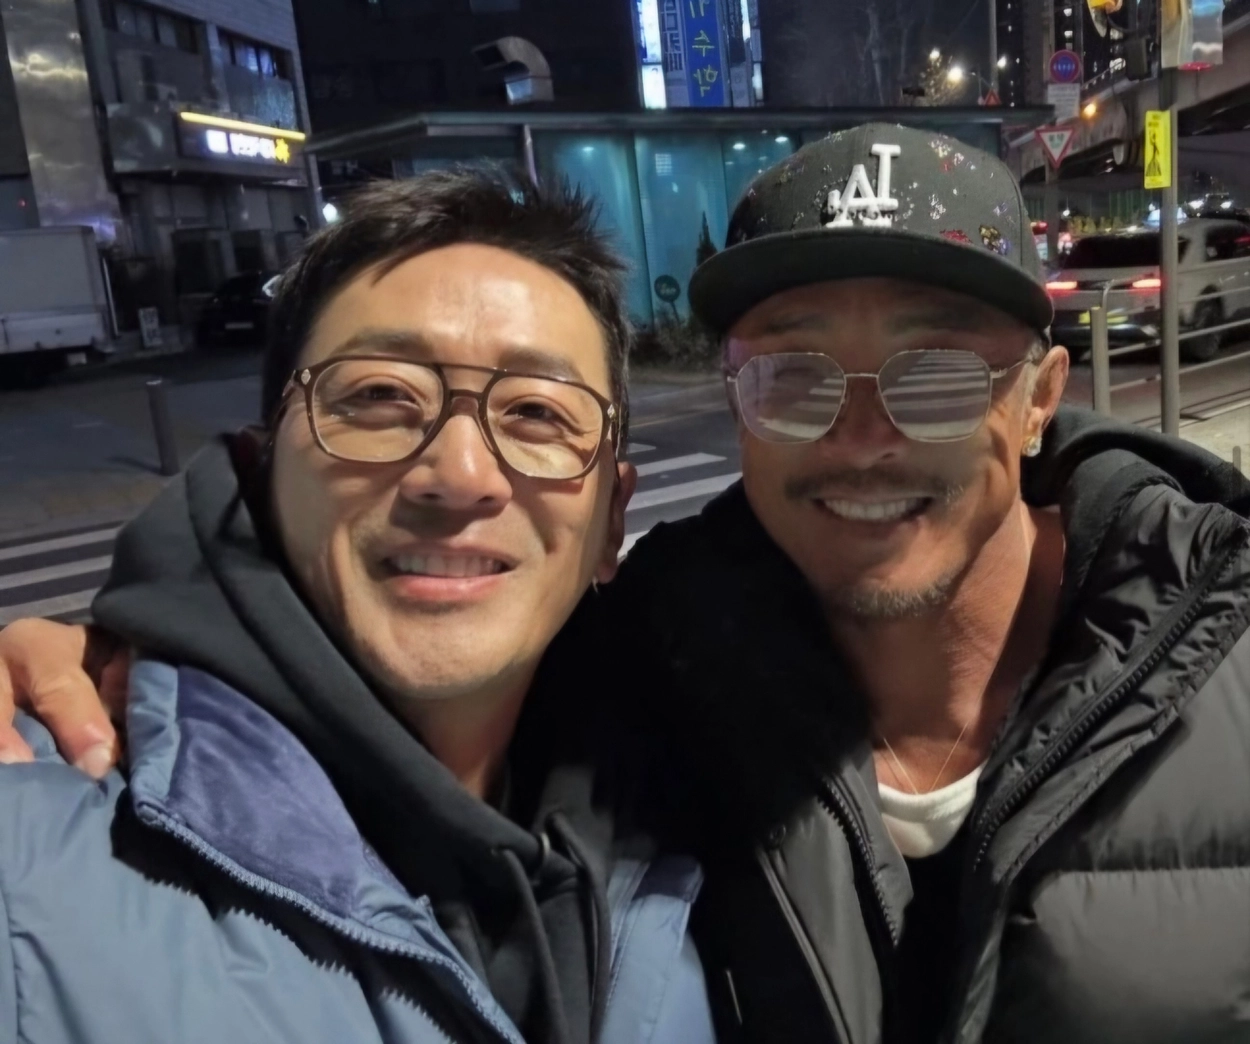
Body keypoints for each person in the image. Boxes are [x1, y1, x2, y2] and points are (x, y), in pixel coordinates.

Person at [6, 123, 1250, 1043]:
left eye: (935, 376)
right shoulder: (656, 674)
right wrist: (126, 648)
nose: (863, 438)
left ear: (1036, 399)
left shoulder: (1222, 657)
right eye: (794, 376)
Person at [0, 170, 714, 1044]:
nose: (461, 475)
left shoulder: (692, 795)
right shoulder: (33, 865)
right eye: (378, 396)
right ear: (261, 472)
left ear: (611, 520)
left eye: (537, 412)